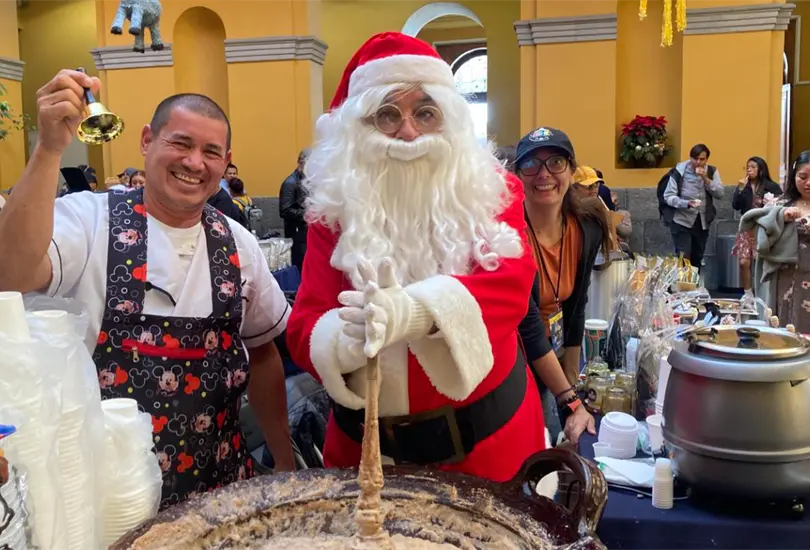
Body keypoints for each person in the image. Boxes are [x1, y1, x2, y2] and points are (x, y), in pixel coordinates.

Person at [0, 70, 295, 508]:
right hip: (106, 502)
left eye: (210, 152)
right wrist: (48, 149)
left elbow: (265, 352)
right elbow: (12, 275)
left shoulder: (239, 243)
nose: (195, 162)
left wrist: (285, 463)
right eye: (180, 143)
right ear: (146, 141)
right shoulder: (88, 218)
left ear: (226, 160)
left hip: (221, 495)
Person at [285, 32, 548, 483]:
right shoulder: (332, 214)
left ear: (447, 121)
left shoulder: (489, 192)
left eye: (425, 113)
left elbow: (511, 287)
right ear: (358, 128)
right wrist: (344, 343)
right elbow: (307, 321)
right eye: (387, 114)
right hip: (366, 458)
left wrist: (416, 312)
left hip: (489, 449)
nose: (408, 131)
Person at [513, 127, 607, 447]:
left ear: (570, 169)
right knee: (530, 441)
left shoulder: (587, 227)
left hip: (550, 347)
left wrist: (572, 385)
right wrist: (569, 400)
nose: (544, 174)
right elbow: (525, 325)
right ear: (517, 175)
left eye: (555, 162)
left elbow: (576, 305)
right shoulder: (507, 234)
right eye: (530, 164)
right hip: (512, 356)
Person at [741, 151, 810, 333]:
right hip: (786, 279)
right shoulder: (781, 203)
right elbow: (757, 231)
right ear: (794, 177)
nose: (808, 183)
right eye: (803, 177)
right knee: (786, 326)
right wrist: (779, 217)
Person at [663, 144, 724, 270]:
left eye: (702, 159)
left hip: (702, 222)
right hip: (681, 221)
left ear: (706, 160)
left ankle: (693, 288)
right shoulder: (679, 172)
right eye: (695, 159)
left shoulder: (712, 171)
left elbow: (720, 193)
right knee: (684, 257)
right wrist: (686, 203)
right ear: (690, 158)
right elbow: (668, 196)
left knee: (697, 258)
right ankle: (683, 287)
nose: (698, 162)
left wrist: (705, 178)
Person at [731, 156, 782, 291]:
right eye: (747, 167)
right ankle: (747, 293)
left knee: (761, 262)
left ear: (761, 169)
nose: (749, 170)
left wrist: (771, 203)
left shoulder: (771, 186)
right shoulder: (744, 185)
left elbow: (780, 205)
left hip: (763, 227)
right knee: (743, 262)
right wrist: (740, 190)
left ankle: (762, 292)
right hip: (747, 226)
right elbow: (735, 205)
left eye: (753, 167)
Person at [279, 149, 310, 273]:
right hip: (297, 235)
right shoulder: (290, 183)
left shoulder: (306, 181)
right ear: (300, 163)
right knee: (300, 266)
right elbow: (285, 210)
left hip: (306, 233)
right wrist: (308, 214)